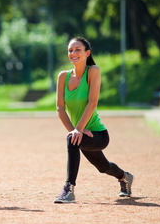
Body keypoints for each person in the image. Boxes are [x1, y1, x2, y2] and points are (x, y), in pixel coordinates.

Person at [54, 37, 134, 203]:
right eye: (70, 50)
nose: (73, 53)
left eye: (77, 50)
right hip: (81, 134)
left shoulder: (93, 71)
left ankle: (69, 189)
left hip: (98, 134)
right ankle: (124, 177)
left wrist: (79, 129)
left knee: (72, 140)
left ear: (87, 53)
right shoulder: (63, 76)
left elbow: (92, 103)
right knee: (103, 167)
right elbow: (60, 109)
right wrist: (75, 131)